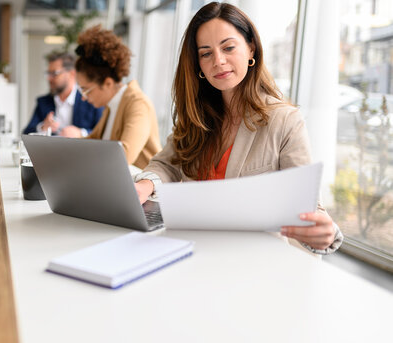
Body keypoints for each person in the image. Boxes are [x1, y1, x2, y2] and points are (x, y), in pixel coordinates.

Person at [134, 2, 343, 254]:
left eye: (228, 47)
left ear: (251, 47)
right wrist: (144, 185)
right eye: (206, 53)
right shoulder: (197, 117)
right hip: (190, 250)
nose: (218, 61)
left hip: (251, 263)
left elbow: (310, 209)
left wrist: (326, 234)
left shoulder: (284, 121)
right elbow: (167, 164)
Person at [74, 25, 162, 169]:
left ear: (108, 83)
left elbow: (124, 156)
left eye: (85, 90)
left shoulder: (137, 103)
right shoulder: (112, 106)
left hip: (142, 187)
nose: (83, 97)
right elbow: (94, 140)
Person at [22, 52, 103, 137]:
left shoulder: (90, 100)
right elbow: (26, 133)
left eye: (54, 73)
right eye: (48, 73)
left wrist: (81, 133)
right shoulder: (43, 102)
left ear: (72, 74)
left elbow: (103, 134)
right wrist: (43, 127)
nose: (49, 78)